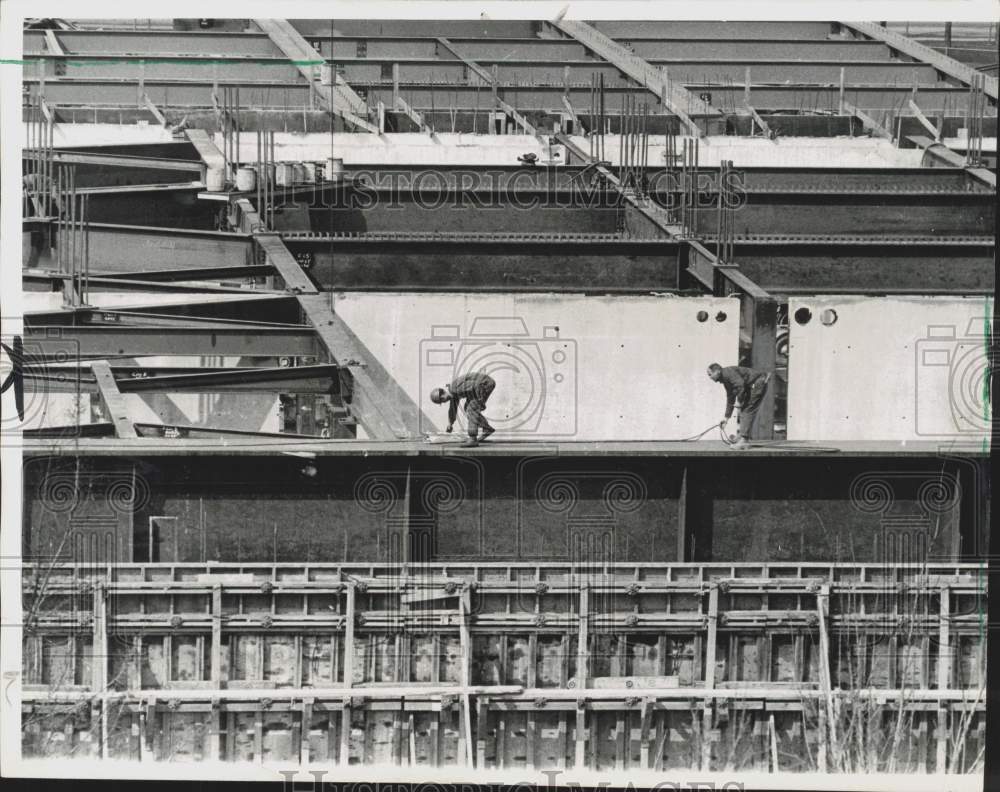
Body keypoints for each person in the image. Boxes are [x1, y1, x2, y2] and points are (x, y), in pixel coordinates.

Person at [707, 363, 771, 449]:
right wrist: (726, 418)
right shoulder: (725, 379)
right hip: (753, 384)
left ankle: (744, 441)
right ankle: (742, 436)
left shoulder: (728, 373)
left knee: (747, 409)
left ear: (717, 371)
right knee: (745, 409)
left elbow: (740, 385)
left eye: (710, 374)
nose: (709, 377)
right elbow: (730, 397)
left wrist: (740, 401)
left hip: (759, 382)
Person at [430, 371, 496, 448]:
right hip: (481, 385)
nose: (444, 402)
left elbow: (476, 385)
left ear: (442, 395)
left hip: (485, 383)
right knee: (468, 407)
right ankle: (487, 429)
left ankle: (472, 439)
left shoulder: (455, 389)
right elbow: (452, 410)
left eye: (442, 401)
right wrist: (450, 424)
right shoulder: (453, 395)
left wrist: (480, 400)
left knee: (471, 409)